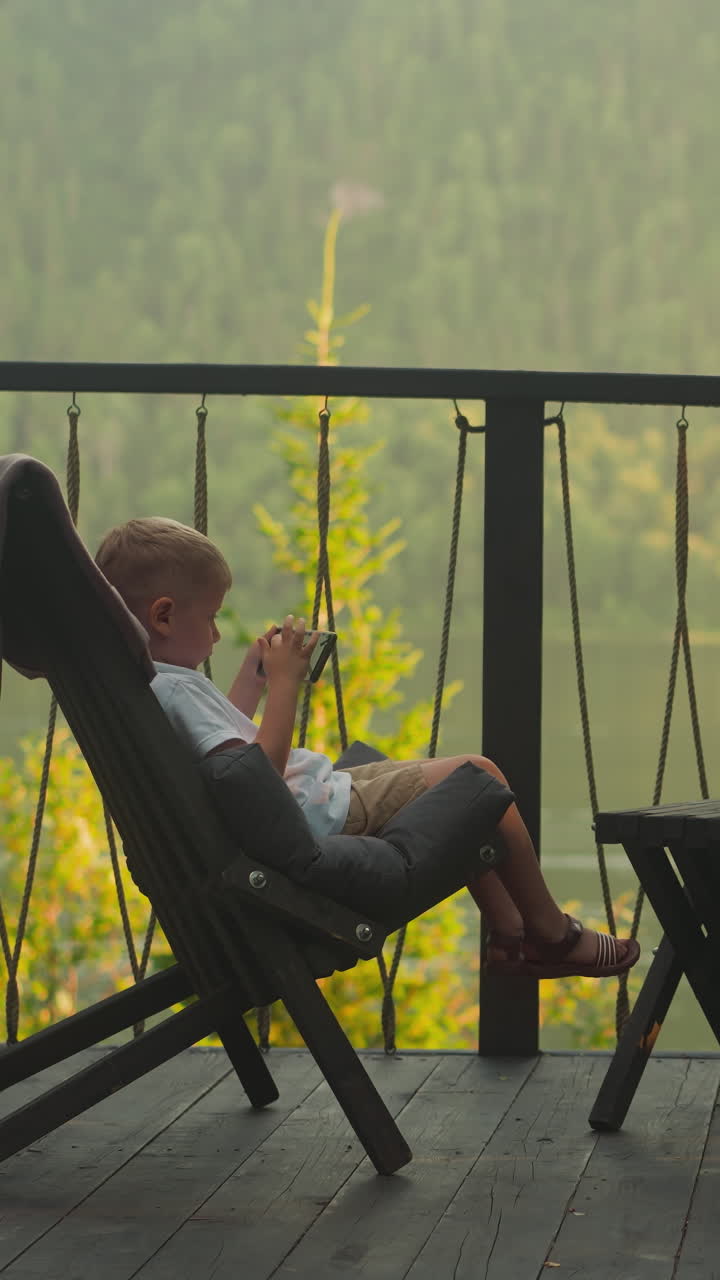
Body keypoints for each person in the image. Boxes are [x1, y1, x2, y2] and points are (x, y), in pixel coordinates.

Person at [95, 516, 640, 982]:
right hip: (319, 816)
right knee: (481, 777)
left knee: (460, 801)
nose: (216, 635)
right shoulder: (176, 690)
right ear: (163, 616)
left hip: (315, 799)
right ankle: (550, 933)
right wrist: (286, 684)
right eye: (211, 618)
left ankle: (509, 935)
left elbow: (228, 753)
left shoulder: (155, 687)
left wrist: (255, 681)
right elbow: (254, 777)